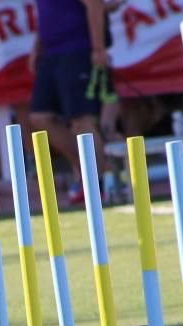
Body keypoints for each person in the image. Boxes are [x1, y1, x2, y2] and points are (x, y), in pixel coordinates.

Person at [29, 0, 114, 205]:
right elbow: (48, 13)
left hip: (78, 50)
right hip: (51, 54)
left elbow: (94, 5)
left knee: (81, 120)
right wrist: (37, 48)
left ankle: (96, 183)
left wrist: (98, 49)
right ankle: (85, 170)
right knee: (40, 117)